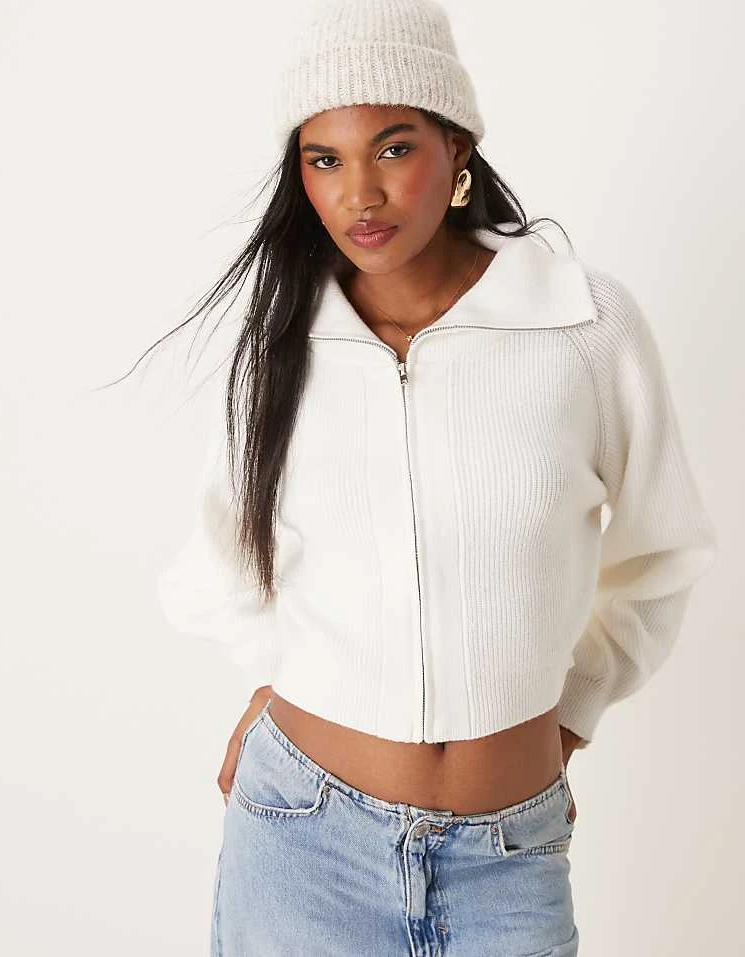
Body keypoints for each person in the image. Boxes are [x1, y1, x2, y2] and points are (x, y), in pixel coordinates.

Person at [156, 1, 718, 953]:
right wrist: (284, 680)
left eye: (394, 147)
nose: (359, 194)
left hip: (509, 857)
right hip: (301, 842)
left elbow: (661, 556)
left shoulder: (581, 324)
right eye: (324, 159)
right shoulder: (282, 344)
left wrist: (568, 717)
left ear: (457, 148)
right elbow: (222, 562)